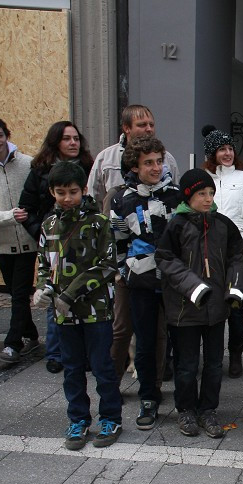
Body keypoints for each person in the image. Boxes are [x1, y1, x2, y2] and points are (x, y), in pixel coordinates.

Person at [88, 105, 179, 387]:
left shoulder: (168, 161)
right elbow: (95, 201)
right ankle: (111, 380)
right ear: (127, 129)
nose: (148, 128)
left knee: (157, 332)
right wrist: (119, 266)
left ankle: (153, 382)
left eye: (151, 124)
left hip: (161, 265)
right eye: (142, 125)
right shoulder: (106, 160)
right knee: (122, 326)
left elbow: (171, 209)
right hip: (127, 261)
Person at [33, 161, 122, 449]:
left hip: (96, 311)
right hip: (63, 315)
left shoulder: (99, 223)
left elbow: (107, 265)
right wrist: (43, 288)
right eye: (61, 193)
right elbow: (46, 265)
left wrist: (70, 294)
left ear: (84, 190)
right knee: (71, 369)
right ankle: (78, 420)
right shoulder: (48, 225)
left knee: (102, 367)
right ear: (52, 192)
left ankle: (110, 418)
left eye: (73, 192)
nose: (67, 198)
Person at [156, 169, 243, 438]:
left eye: (210, 193)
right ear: (188, 196)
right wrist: (194, 286)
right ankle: (186, 410)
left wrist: (235, 289)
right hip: (185, 309)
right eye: (201, 194)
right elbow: (165, 259)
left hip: (216, 308)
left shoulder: (223, 224)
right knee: (186, 364)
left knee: (214, 363)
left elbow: (237, 257)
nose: (208, 199)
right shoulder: (177, 225)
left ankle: (208, 409)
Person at [109, 136, 183, 430]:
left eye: (159, 161)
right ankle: (148, 398)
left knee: (180, 340)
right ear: (135, 166)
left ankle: (186, 400)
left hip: (175, 281)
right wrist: (125, 271)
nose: (155, 168)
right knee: (145, 342)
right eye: (148, 163)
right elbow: (117, 242)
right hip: (140, 281)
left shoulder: (176, 195)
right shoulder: (121, 199)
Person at [19, 121, 95, 374]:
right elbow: (26, 208)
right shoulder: (40, 171)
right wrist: (42, 232)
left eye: (76, 138)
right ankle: (55, 353)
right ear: (56, 142)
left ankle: (82, 353)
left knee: (80, 298)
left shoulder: (87, 166)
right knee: (54, 297)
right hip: (54, 241)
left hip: (82, 242)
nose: (73, 143)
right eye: (66, 139)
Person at [200, 125, 243, 378]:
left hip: (240, 253)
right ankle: (212, 355)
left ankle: (236, 353)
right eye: (222, 149)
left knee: (235, 305)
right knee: (209, 306)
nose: (227, 153)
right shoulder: (202, 178)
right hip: (208, 254)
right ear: (212, 154)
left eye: (230, 148)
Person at [0, 114, 37, 365]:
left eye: (0, 135)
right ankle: (30, 333)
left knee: (20, 293)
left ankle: (13, 344)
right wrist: (10, 216)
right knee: (14, 291)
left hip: (28, 240)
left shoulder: (27, 163)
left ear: (7, 135)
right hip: (3, 241)